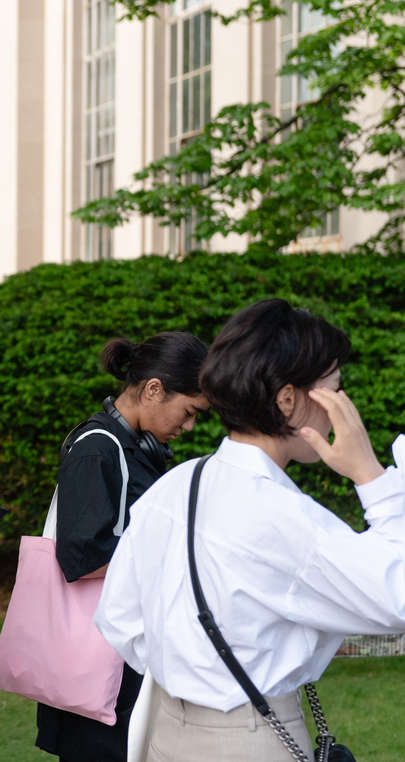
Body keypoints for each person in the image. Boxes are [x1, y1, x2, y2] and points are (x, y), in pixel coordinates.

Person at [95, 298, 405, 760]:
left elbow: (118, 619)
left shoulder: (175, 489)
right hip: (249, 738)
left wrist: (193, 671)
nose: (344, 405)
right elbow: (396, 598)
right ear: (287, 398)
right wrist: (372, 478)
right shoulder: (285, 516)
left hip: (169, 731)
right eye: (334, 389)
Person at [35, 332, 209, 762]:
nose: (188, 427)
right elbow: (79, 556)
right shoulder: (98, 449)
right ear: (154, 389)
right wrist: (178, 554)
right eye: (189, 412)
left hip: (121, 660)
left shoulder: (133, 448)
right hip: (101, 665)